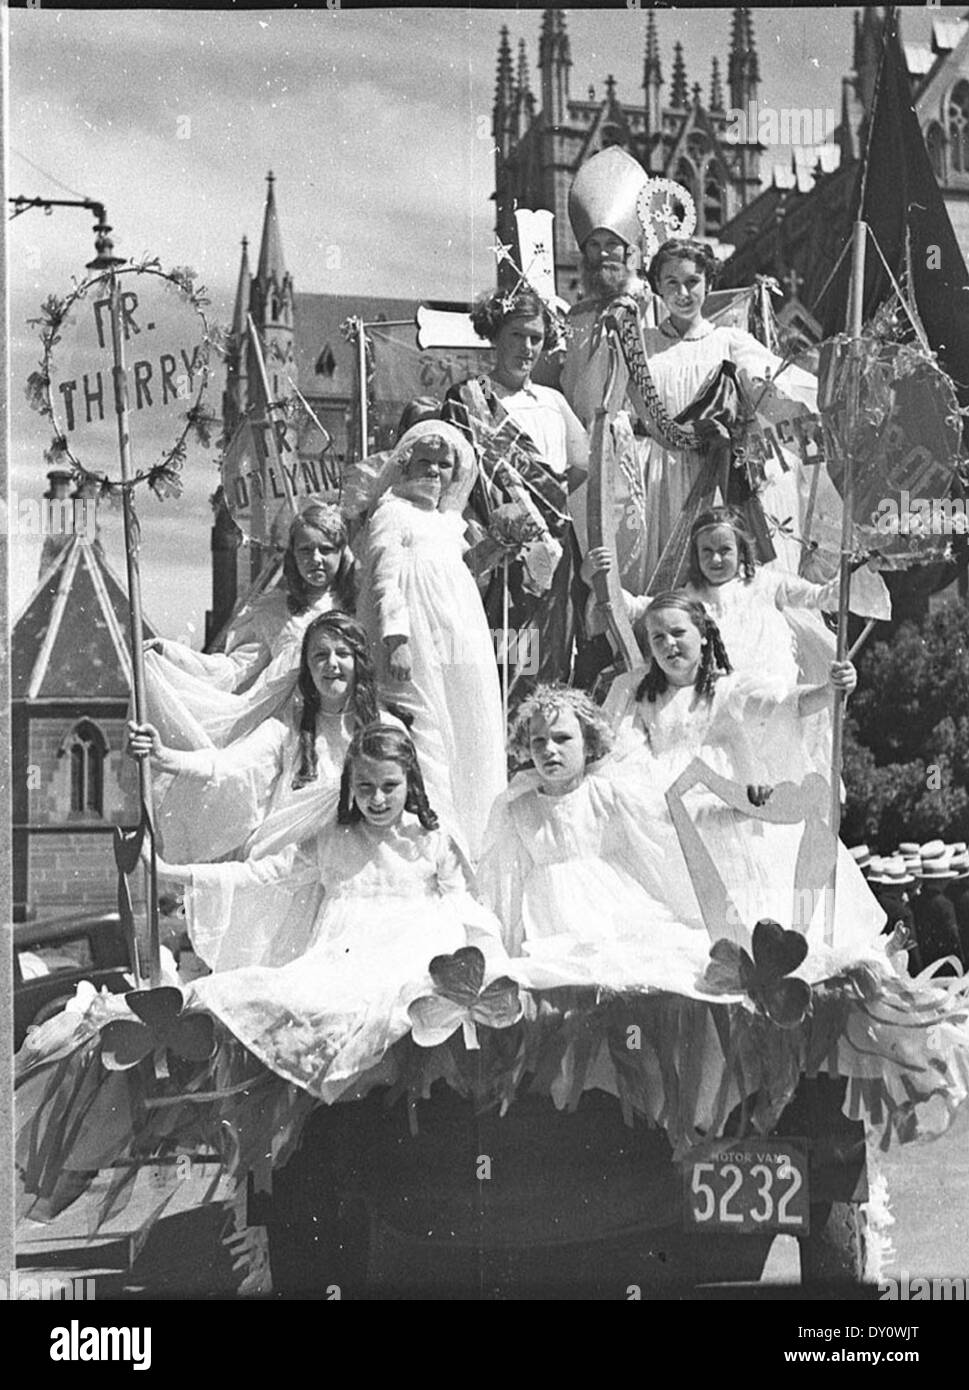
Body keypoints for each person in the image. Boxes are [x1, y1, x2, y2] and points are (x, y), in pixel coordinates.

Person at [154, 725, 505, 1102]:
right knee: (284, 999)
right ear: (350, 786)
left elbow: (464, 905)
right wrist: (171, 872)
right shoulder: (335, 840)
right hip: (344, 954)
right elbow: (260, 874)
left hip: (415, 951)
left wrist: (492, 961)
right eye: (365, 787)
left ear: (410, 782)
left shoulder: (431, 838)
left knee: (398, 1010)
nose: (378, 799)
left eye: (390, 786)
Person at [601, 591, 885, 947]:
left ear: (703, 634)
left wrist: (830, 689)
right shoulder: (639, 693)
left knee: (750, 901)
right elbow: (622, 753)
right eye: (657, 638)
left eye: (678, 633)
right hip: (666, 810)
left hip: (730, 807)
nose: (668, 645)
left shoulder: (730, 689)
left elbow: (783, 704)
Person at [635, 238, 851, 593]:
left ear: (708, 283)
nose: (683, 292)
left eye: (692, 281)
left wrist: (828, 402)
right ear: (657, 286)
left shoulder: (729, 340)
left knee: (721, 574)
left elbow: (775, 387)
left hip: (715, 474)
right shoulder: (644, 344)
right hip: (659, 476)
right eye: (671, 282)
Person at [128, 613, 409, 883]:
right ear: (308, 669)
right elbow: (226, 765)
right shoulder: (289, 729)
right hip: (294, 872)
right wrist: (163, 756)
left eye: (343, 654)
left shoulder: (387, 728)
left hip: (365, 874)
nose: (331, 664)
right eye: (320, 656)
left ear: (359, 661)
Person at [475, 685, 705, 993]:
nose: (549, 750)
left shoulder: (609, 792)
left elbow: (659, 838)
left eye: (562, 738)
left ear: (588, 743)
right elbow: (503, 884)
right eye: (538, 741)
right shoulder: (517, 808)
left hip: (614, 907)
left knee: (646, 965)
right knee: (563, 976)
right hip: (552, 917)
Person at [355, 420, 507, 861]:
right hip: (414, 636)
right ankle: (431, 839)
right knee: (428, 728)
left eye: (444, 465)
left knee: (466, 719)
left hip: (457, 634)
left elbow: (459, 570)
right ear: (405, 465)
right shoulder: (392, 511)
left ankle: (475, 839)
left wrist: (493, 550)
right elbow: (385, 575)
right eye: (425, 462)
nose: (435, 473)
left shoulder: (448, 522)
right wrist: (395, 636)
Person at [441, 289, 589, 701]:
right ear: (495, 336)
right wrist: (495, 524)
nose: (527, 347)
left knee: (546, 651)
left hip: (550, 548)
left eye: (536, 338)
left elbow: (581, 466)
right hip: (492, 550)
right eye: (517, 335)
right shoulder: (467, 398)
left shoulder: (553, 402)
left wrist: (547, 509)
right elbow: (453, 479)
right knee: (497, 656)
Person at [144, 502, 356, 751]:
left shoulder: (358, 605)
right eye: (306, 550)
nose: (316, 559)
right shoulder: (273, 611)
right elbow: (236, 669)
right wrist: (173, 655)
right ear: (293, 555)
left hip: (346, 725)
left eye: (326, 549)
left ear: (342, 553)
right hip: (292, 731)